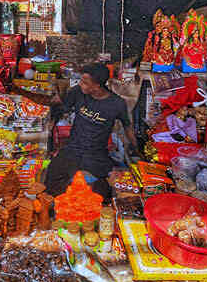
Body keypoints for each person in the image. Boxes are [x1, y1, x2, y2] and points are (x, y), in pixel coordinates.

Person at [43, 63, 138, 200]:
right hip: (72, 148)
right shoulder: (78, 92)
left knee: (104, 192)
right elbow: (62, 107)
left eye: (85, 82)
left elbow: (127, 126)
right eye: (81, 80)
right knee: (51, 179)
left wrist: (135, 148)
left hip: (96, 153)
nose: (81, 84)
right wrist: (53, 117)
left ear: (97, 85)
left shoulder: (116, 104)